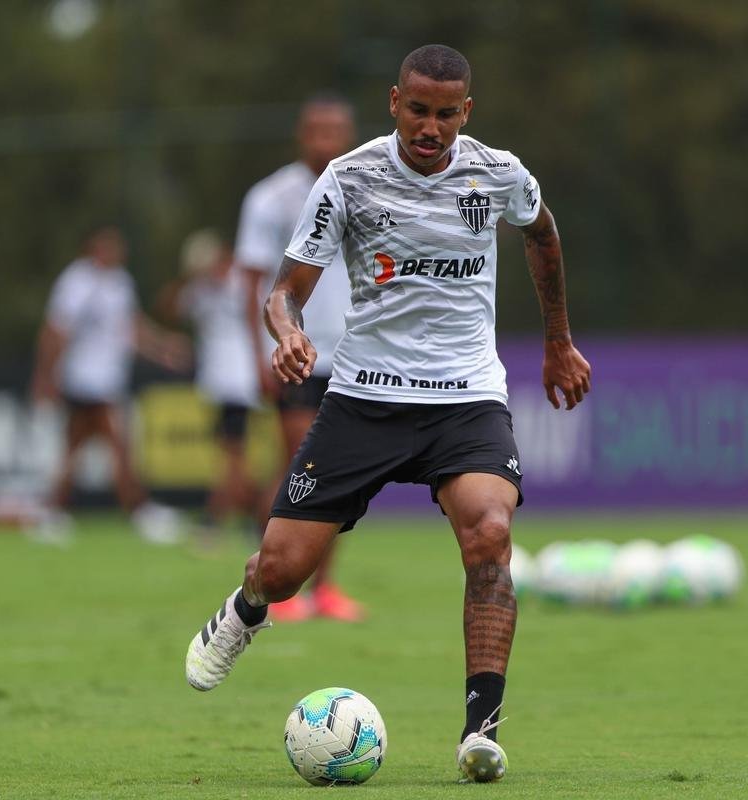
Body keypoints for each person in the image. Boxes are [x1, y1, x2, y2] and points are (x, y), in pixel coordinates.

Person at [184, 44, 591, 781]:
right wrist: (288, 335)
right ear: (394, 101)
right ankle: (245, 608)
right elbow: (282, 291)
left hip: (466, 397)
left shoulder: (497, 172)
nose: (429, 128)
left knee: (491, 534)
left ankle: (480, 731)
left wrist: (558, 341)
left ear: (465, 113)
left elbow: (542, 233)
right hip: (365, 396)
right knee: (282, 571)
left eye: (445, 115)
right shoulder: (349, 179)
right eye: (417, 111)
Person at [233, 93, 364, 622]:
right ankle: (276, 583)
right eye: (317, 129)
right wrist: (258, 353)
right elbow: (251, 284)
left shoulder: (368, 188)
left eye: (336, 129)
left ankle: (324, 588)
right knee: (301, 466)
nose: (326, 138)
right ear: (302, 133)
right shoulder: (270, 198)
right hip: (296, 351)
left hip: (356, 354)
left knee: (342, 477)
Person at [31, 225, 190, 544]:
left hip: (109, 377)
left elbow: (131, 329)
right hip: (84, 377)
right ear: (94, 249)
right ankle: (139, 509)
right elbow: (55, 331)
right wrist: (45, 376)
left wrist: (164, 348)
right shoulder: (77, 281)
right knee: (118, 444)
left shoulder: (120, 283)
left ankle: (51, 510)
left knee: (76, 447)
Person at [168, 229, 261, 535]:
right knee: (234, 453)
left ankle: (216, 515)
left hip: (239, 378)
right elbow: (168, 307)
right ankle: (251, 515)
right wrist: (189, 275)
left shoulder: (240, 281)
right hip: (218, 379)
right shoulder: (199, 290)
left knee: (232, 452)